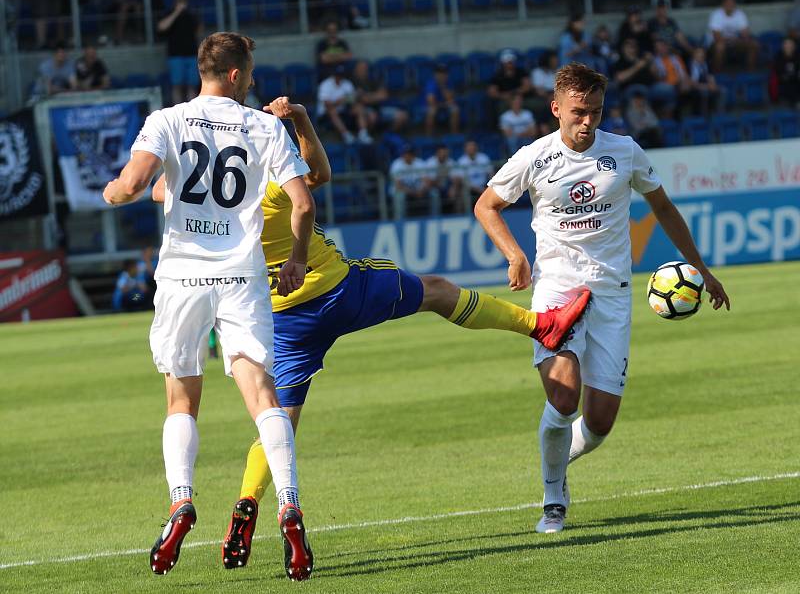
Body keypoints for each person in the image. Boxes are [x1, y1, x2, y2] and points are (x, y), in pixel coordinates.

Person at [201, 97, 590, 568]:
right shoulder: (272, 183)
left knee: (277, 422)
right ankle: (538, 325)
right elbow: (318, 176)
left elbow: (162, 193)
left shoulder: (210, 210)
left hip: (284, 320)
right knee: (436, 291)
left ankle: (247, 503)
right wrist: (298, 120)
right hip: (338, 291)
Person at [474, 62, 730, 535]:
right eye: (577, 112)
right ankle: (553, 499)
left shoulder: (625, 151)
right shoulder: (534, 157)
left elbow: (663, 208)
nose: (587, 121)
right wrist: (514, 255)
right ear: (556, 108)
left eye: (594, 111)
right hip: (555, 288)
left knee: (599, 423)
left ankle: (559, 458)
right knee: (565, 393)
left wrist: (704, 270)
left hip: (612, 293)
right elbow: (486, 205)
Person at [102, 32, 316, 580]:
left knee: (181, 399)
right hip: (242, 274)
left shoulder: (167, 119)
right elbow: (303, 201)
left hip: (182, 276)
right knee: (262, 392)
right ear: (239, 74)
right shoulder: (264, 126)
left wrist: (113, 192)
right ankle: (289, 503)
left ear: (204, 71)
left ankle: (181, 501)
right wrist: (294, 258)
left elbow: (132, 186)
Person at [157, 0, 200, 104]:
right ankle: (178, 110)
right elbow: (161, 27)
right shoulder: (168, 14)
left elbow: (198, 30)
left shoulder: (192, 15)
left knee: (192, 85)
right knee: (177, 85)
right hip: (175, 55)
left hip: (192, 54)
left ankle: (193, 111)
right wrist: (176, 12)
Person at [317, 63, 372, 145]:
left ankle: (363, 134)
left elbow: (352, 100)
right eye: (338, 75)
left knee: (359, 107)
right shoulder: (325, 85)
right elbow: (327, 105)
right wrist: (342, 100)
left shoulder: (347, 83)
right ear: (334, 75)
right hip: (326, 114)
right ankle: (346, 135)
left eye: (341, 75)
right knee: (332, 111)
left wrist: (356, 95)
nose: (339, 77)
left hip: (344, 110)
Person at [706, 0, 759, 72]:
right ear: (723, 4)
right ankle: (717, 73)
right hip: (715, 43)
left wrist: (741, 38)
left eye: (732, 3)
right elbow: (717, 37)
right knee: (720, 46)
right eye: (728, 3)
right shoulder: (716, 14)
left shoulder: (740, 14)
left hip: (734, 41)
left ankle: (750, 72)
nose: (730, 5)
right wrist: (733, 39)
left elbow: (745, 34)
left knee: (754, 44)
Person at [389, 144, 437, 218]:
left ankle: (435, 218)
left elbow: (427, 181)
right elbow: (398, 185)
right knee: (400, 196)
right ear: (402, 155)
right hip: (402, 190)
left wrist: (422, 190)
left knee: (434, 193)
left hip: (418, 190)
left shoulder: (419, 163)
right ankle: (400, 221)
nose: (408, 156)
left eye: (410, 154)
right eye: (406, 153)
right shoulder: (397, 164)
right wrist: (413, 192)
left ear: (414, 154)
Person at [488, 48, 531, 123]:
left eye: (511, 61)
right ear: (503, 63)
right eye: (507, 62)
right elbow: (492, 92)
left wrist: (516, 93)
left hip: (522, 97)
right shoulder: (497, 75)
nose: (509, 63)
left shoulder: (521, 72)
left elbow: (527, 86)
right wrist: (504, 96)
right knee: (500, 107)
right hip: (505, 99)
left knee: (537, 104)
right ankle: (503, 129)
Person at [423, 62, 460, 136]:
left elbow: (450, 98)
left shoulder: (449, 82)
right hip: (431, 105)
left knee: (455, 109)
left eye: (444, 73)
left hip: (443, 104)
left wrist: (442, 86)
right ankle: (428, 136)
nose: (442, 75)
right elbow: (431, 101)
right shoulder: (430, 83)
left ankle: (454, 135)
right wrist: (444, 104)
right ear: (435, 74)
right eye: (439, 73)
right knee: (431, 111)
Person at [425, 144, 463, 213]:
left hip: (447, 187)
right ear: (437, 153)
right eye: (441, 153)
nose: (443, 155)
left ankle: (458, 215)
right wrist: (439, 181)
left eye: (445, 153)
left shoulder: (451, 162)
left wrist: (453, 187)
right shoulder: (430, 163)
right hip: (435, 187)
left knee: (458, 191)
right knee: (434, 194)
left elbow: (457, 179)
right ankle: (435, 217)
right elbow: (429, 182)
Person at [772, 37, 800, 108]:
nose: (788, 46)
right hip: (783, 79)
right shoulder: (778, 56)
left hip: (796, 77)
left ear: (794, 46)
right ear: (783, 45)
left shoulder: (797, 55)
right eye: (786, 44)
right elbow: (779, 72)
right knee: (790, 83)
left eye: (790, 44)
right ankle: (795, 103)